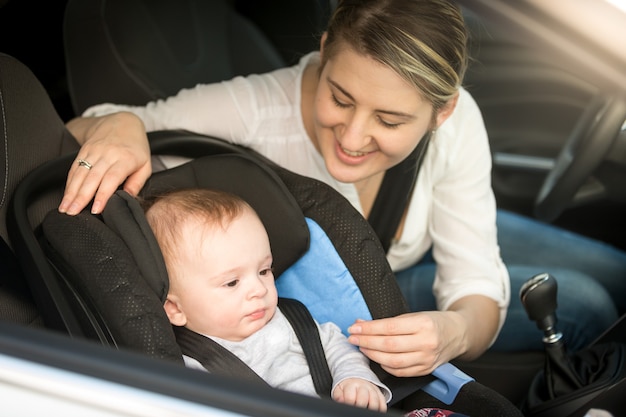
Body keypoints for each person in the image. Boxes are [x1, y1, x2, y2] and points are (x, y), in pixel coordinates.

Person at [59, 0, 625, 378]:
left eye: (391, 120)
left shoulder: (460, 124)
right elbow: (94, 125)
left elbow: (474, 279)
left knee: (619, 274)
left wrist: (451, 332)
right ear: (326, 50)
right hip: (380, 281)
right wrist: (122, 123)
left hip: (436, 233)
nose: (353, 138)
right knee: (589, 306)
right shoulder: (260, 106)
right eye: (341, 98)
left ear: (442, 111)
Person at [143, 187, 391, 411]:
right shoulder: (194, 369)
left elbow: (336, 346)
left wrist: (354, 378)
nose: (259, 289)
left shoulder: (293, 320)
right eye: (232, 282)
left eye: (264, 271)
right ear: (175, 309)